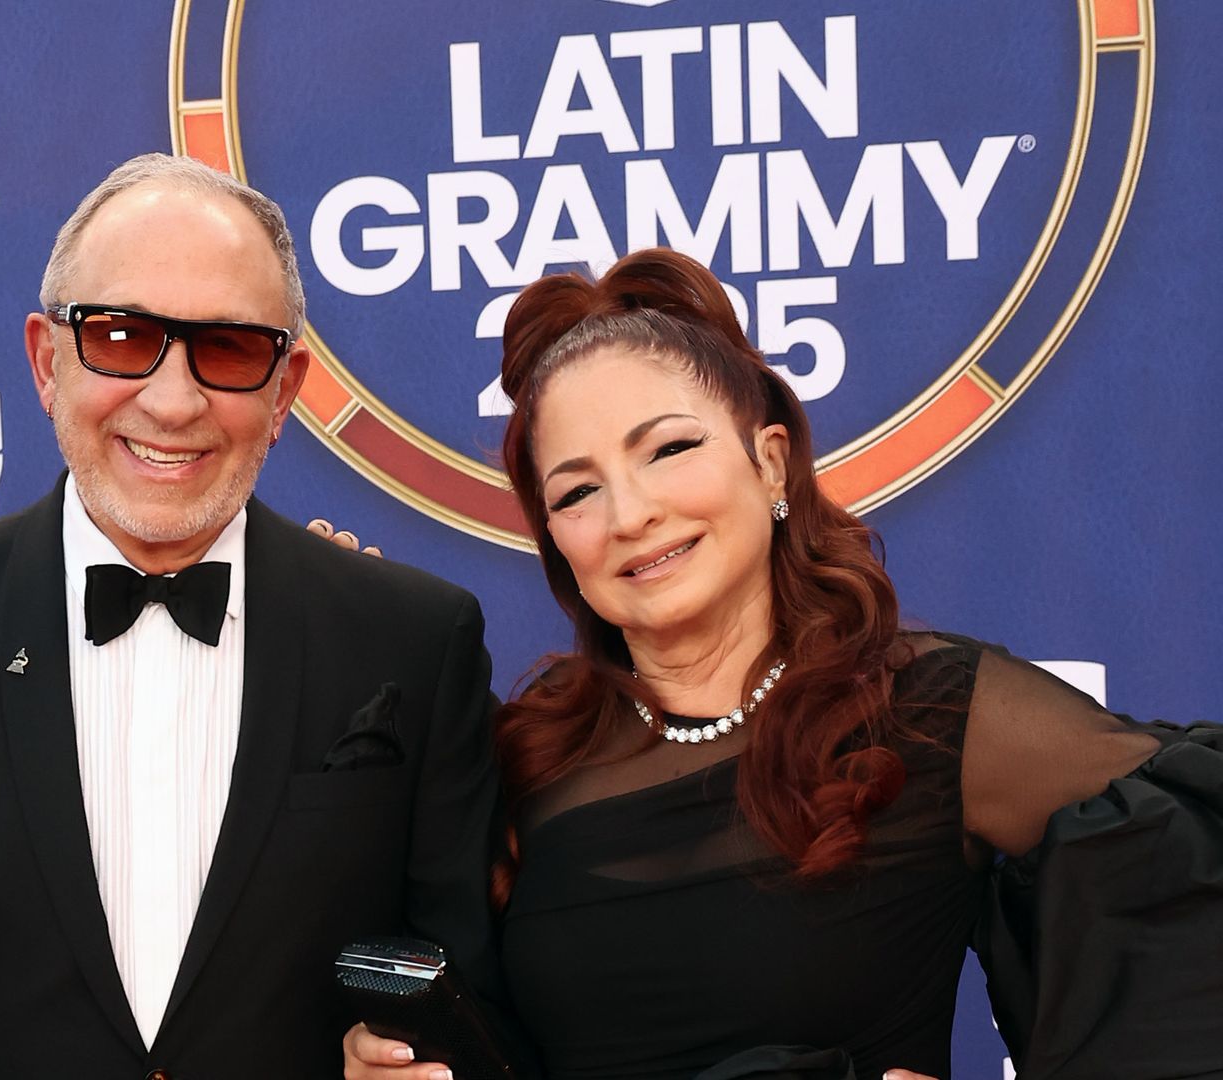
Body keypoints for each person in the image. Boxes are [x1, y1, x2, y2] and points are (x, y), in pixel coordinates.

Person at [346, 248, 1223, 1080]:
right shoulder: (526, 757)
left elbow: (1187, 890)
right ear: (553, 539)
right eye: (576, 491)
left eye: (669, 449)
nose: (630, 512)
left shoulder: (929, 714)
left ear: (769, 461)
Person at [0, 153, 505, 1079]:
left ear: (285, 391)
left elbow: (467, 998)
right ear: (48, 362)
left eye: (231, 349)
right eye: (122, 337)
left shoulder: (412, 638)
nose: (172, 401)